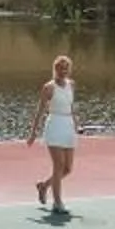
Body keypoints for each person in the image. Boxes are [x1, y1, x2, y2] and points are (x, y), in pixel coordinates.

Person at [28, 54, 81, 217]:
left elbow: (72, 107)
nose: (63, 71)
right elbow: (40, 111)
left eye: (66, 68)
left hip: (68, 127)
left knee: (67, 169)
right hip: (54, 126)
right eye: (60, 68)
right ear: (55, 69)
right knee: (58, 166)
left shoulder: (71, 85)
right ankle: (58, 203)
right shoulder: (48, 87)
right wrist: (33, 133)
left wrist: (76, 125)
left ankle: (44, 186)